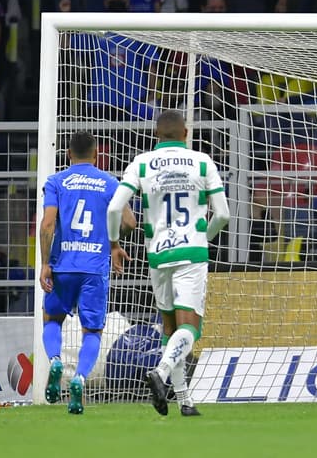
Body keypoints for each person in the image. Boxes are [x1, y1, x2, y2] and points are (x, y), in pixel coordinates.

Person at [107, 110, 230, 417]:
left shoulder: (142, 163)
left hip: (158, 254)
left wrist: (113, 244)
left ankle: (184, 400)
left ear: (156, 135)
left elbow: (114, 208)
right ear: (186, 133)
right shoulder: (202, 161)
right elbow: (224, 214)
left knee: (169, 327)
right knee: (190, 328)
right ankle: (161, 374)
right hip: (191, 253)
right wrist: (205, 236)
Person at [39, 130, 133, 414]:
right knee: (92, 331)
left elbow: (47, 224)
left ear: (68, 154)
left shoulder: (56, 181)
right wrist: (113, 243)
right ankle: (79, 377)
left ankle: (55, 360)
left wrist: (45, 263)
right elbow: (129, 220)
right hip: (94, 267)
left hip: (63, 265)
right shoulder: (108, 182)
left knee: (51, 320)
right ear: (95, 155)